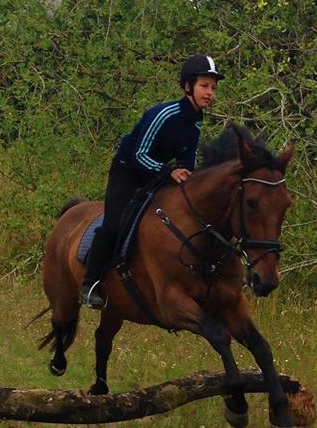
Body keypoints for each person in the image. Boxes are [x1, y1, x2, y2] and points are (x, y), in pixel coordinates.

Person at [79, 54, 224, 308]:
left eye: (213, 87)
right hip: (128, 172)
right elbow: (138, 155)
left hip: (156, 175)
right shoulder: (165, 114)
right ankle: (89, 282)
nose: (210, 92)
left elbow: (186, 164)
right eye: (204, 86)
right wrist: (168, 172)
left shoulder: (196, 123)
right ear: (188, 86)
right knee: (114, 225)